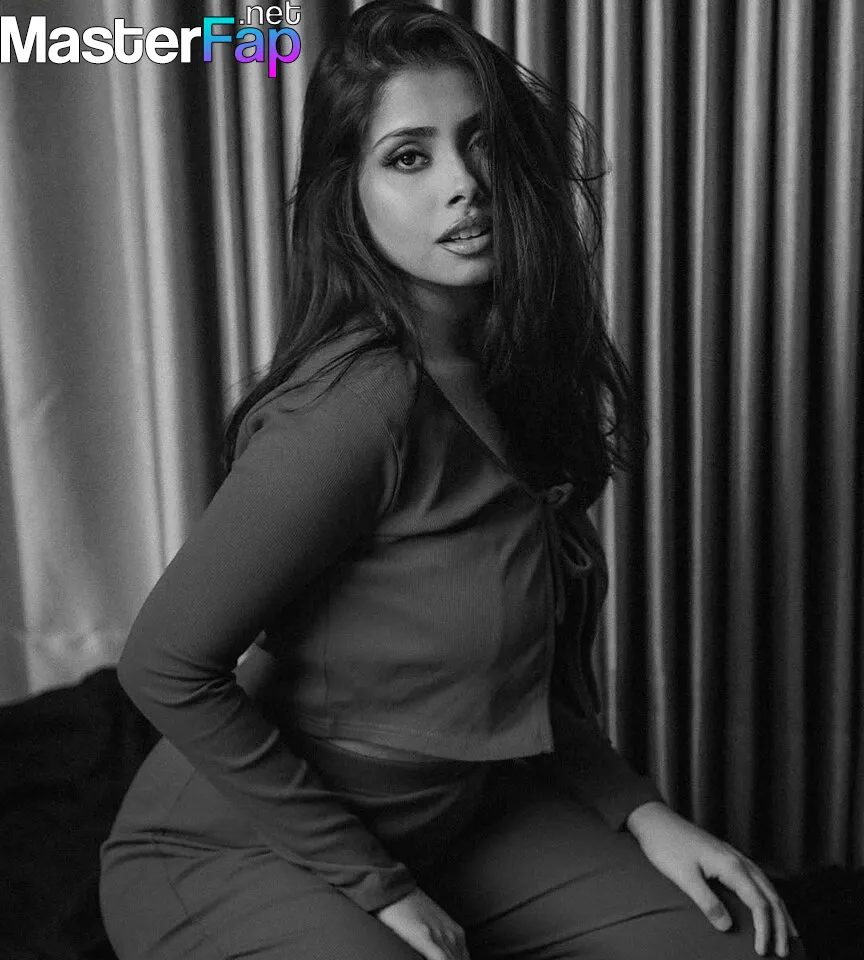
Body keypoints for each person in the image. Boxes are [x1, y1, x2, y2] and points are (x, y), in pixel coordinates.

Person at [99, 3, 804, 958]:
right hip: (236, 849)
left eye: (482, 144)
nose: (465, 184)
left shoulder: (514, 374)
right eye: (408, 157)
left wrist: (638, 810)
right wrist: (377, 886)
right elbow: (162, 663)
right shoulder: (357, 404)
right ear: (348, 194)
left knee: (747, 939)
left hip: (463, 816)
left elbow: (512, 673)